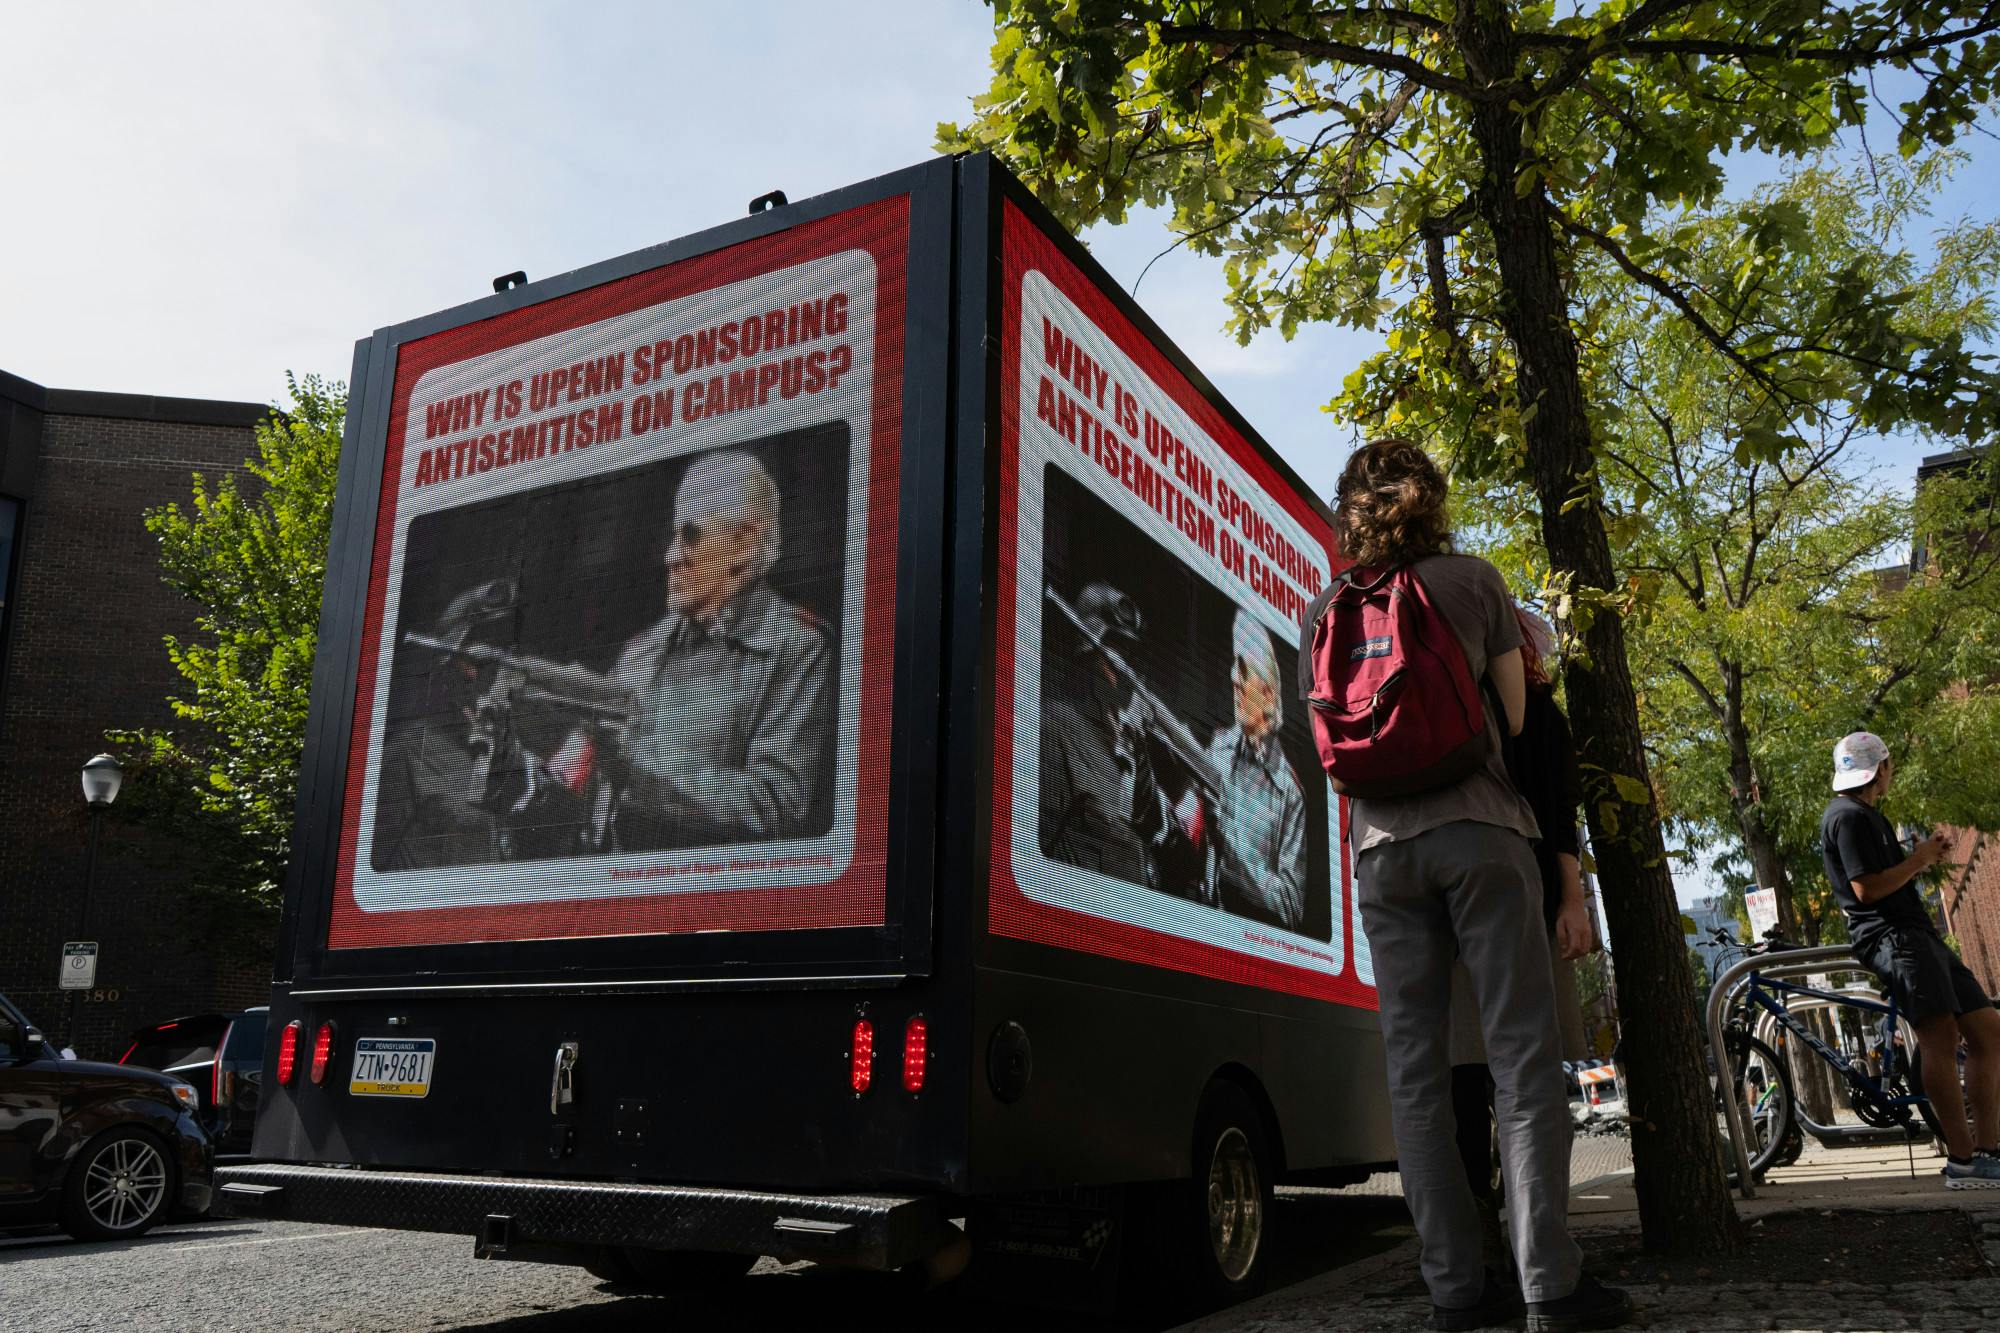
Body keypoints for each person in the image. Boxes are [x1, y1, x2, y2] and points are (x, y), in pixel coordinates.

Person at [1298, 438, 1627, 1332]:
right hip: (1480, 833)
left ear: (1350, 511)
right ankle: (1549, 1286)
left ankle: (1454, 1289)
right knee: (1522, 1062)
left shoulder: (1323, 609)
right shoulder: (1474, 581)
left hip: (1380, 854)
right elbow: (1518, 719)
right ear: (1432, 501)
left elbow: (1333, 752)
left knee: (1415, 1076)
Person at [1448, 609, 1599, 1271]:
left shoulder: (1451, 704)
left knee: (1462, 1069)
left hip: (1449, 907)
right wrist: (1571, 899)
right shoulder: (1539, 712)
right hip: (1522, 899)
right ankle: (1532, 1233)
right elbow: (1558, 814)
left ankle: (1477, 1227)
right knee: (1527, 1071)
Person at [609, 449, 832, 851]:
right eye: (673, 537)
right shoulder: (639, 654)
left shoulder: (796, 647)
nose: (671, 557)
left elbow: (775, 802)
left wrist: (640, 778)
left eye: (690, 535)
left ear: (743, 544)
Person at [1819, 731, 2000, 1187]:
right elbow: (1866, 889)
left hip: (1916, 934)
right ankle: (1964, 1160)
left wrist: (1923, 858)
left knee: (1987, 1030)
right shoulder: (1846, 818)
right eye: (1889, 766)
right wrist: (1919, 860)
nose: (1890, 775)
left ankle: (1988, 1149)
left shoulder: (1865, 816)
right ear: (1880, 769)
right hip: (1892, 937)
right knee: (1938, 1037)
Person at [1039, 582, 1173, 883]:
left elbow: (1152, 824)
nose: (1129, 672)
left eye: (1133, 657)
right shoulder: (1055, 729)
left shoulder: (1128, 744)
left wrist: (1140, 743)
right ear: (1088, 660)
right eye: (1118, 654)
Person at [1207, 610, 1308, 930]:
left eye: (1243, 670)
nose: (1233, 679)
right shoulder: (1216, 749)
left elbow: (1292, 906)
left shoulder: (1289, 793)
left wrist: (1237, 865)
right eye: (1233, 669)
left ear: (1266, 694)